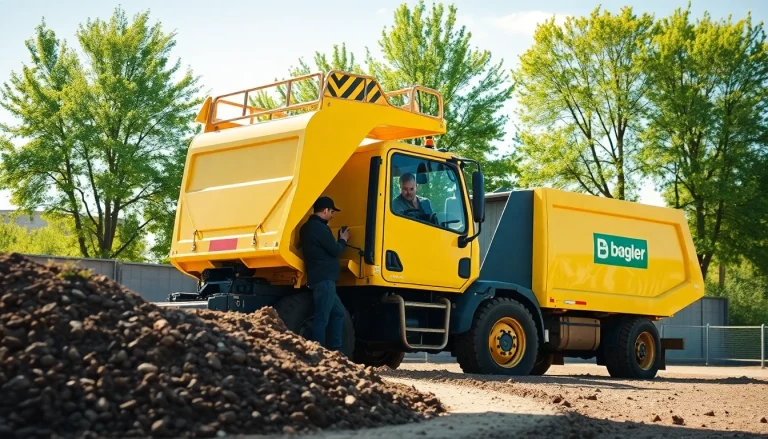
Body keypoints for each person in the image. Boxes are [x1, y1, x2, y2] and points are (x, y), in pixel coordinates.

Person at [299, 195, 351, 353]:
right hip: (325, 280)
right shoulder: (320, 228)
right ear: (325, 211)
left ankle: (336, 351)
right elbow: (335, 250)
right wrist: (343, 240)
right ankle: (319, 352)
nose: (332, 215)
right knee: (322, 317)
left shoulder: (306, 228)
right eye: (332, 211)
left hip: (318, 278)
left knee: (338, 312)